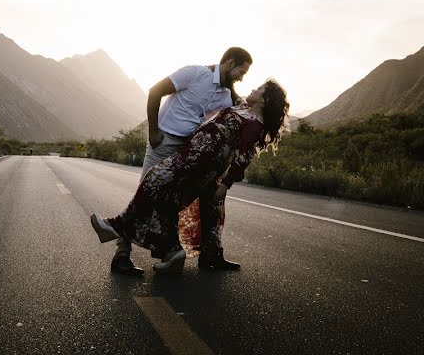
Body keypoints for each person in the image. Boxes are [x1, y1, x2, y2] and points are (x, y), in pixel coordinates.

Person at [92, 79, 289, 274]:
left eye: (260, 88)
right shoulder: (243, 109)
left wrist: (225, 184)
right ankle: (175, 252)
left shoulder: (255, 124)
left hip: (200, 164)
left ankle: (117, 225)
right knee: (169, 200)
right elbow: (230, 88)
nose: (254, 87)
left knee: (155, 178)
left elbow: (244, 156)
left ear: (265, 100)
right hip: (192, 157)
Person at [109, 47, 253, 276]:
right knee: (145, 194)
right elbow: (155, 91)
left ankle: (170, 253)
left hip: (187, 150)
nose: (242, 77)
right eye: (241, 71)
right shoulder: (195, 73)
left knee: (172, 200)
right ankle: (121, 256)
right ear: (229, 63)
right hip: (163, 142)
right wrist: (153, 133)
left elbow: (238, 113)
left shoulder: (227, 95)